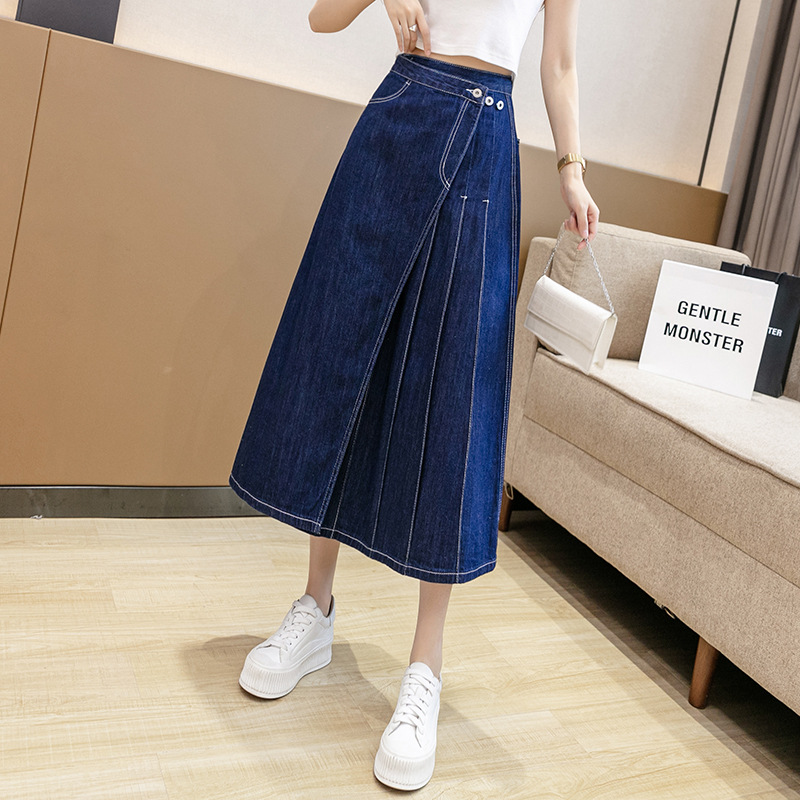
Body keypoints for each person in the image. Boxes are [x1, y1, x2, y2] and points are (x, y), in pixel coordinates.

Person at [228, 0, 599, 791]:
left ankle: (424, 668)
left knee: (453, 394)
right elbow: (322, 18)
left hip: (486, 141)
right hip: (399, 115)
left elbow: (559, 63)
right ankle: (315, 610)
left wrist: (572, 170)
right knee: (342, 353)